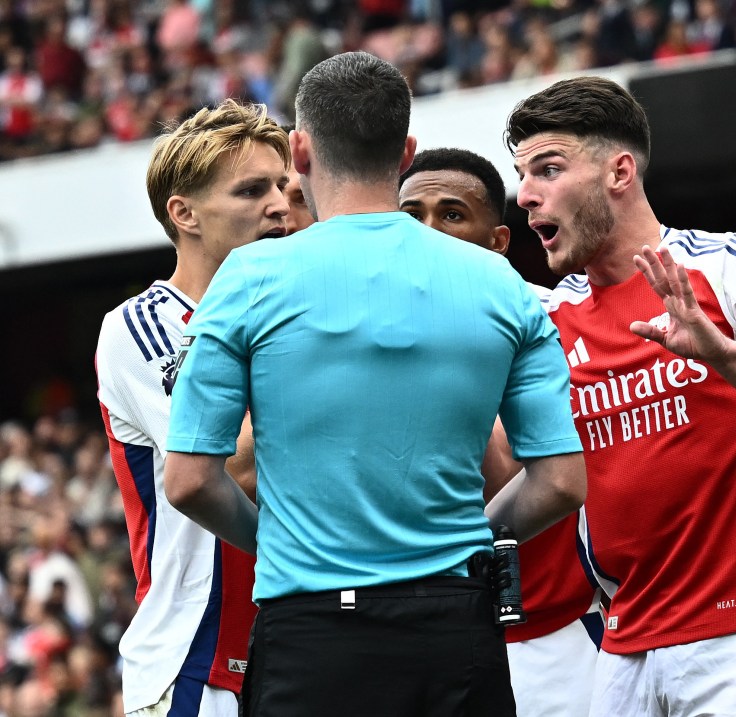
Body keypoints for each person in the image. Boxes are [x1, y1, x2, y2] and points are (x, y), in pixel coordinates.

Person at [162, 51, 587, 717]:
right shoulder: (497, 281)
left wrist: (276, 540)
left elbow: (188, 479)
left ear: (299, 151)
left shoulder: (248, 279)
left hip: (310, 631)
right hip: (456, 627)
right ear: (405, 151)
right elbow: (560, 481)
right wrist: (471, 538)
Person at [505, 76, 736, 717]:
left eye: (548, 169)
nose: (526, 194)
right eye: (522, 174)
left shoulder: (731, 267)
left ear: (620, 172)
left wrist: (725, 356)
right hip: (622, 636)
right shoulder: (550, 320)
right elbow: (520, 469)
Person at [95, 98, 291, 716]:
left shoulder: (296, 310)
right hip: (194, 664)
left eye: (284, 185)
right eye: (252, 190)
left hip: (298, 646)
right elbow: (230, 461)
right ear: (185, 214)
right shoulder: (143, 326)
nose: (280, 204)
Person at [399, 146, 603, 717]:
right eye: (411, 217)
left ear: (497, 242)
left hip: (558, 633)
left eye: (452, 214)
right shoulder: (361, 330)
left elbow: (526, 473)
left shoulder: (554, 321)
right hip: (420, 636)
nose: (429, 233)